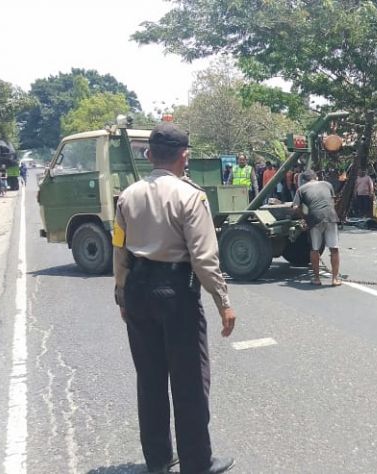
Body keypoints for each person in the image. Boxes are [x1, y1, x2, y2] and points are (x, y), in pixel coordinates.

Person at [113, 123, 237, 474]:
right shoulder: (190, 196)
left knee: (149, 379)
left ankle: (158, 460)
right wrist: (222, 301)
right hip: (176, 294)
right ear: (185, 156)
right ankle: (197, 463)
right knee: (190, 383)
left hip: (137, 290)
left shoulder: (127, 196)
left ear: (149, 155)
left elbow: (119, 251)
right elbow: (203, 258)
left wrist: (122, 295)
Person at [292, 170, 342, 286]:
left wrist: (304, 217)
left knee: (315, 249)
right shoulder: (327, 184)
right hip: (331, 217)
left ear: (304, 180)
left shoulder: (302, 189)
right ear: (316, 177)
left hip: (314, 219)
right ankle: (335, 279)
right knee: (334, 248)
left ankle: (317, 279)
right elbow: (332, 201)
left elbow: (295, 207)